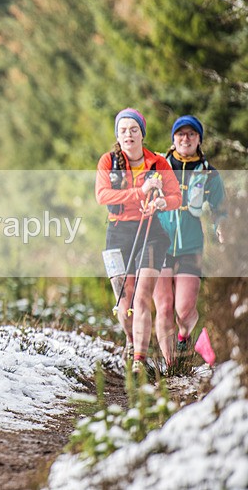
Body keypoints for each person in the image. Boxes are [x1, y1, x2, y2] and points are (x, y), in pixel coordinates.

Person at [96, 108, 181, 373]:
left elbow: (176, 197)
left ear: (142, 134)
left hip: (151, 232)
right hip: (117, 233)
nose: (128, 135)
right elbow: (102, 196)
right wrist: (139, 192)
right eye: (123, 130)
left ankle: (139, 361)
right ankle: (131, 339)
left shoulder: (158, 163)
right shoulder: (108, 162)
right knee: (124, 304)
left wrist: (161, 202)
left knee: (142, 297)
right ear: (117, 136)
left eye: (134, 130)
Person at [153, 115, 226, 366]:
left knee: (184, 310)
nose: (186, 138)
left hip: (191, 245)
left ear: (199, 139)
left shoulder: (208, 173)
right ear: (173, 138)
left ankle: (183, 337)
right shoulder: (158, 167)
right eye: (181, 134)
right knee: (164, 307)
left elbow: (220, 209)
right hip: (159, 244)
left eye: (191, 134)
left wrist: (221, 225)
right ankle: (170, 365)